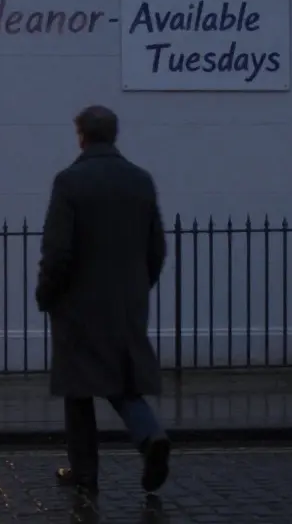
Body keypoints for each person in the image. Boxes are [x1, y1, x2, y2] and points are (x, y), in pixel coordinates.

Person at [35, 105, 170, 495]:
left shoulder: (70, 182)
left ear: (81, 135)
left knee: (78, 390)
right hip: (126, 301)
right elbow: (157, 248)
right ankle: (150, 435)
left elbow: (58, 251)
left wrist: (46, 293)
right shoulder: (141, 181)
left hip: (78, 302)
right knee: (122, 381)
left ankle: (85, 473)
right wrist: (139, 287)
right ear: (114, 135)